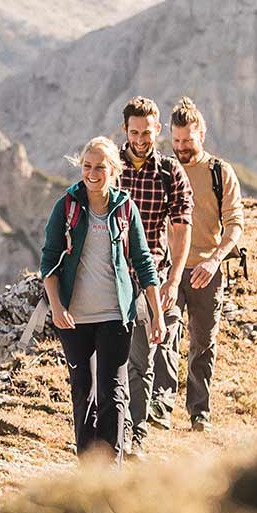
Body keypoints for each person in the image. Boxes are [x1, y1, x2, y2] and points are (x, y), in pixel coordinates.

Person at [39, 136, 165, 458]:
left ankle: (111, 471)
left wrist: (157, 315)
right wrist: (56, 307)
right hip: (74, 318)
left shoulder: (125, 208)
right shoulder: (66, 206)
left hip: (115, 315)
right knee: (84, 393)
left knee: (114, 393)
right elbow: (49, 261)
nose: (92, 174)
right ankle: (88, 473)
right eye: (87, 166)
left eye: (100, 167)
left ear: (114, 170)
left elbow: (143, 260)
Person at [116, 96, 193, 447]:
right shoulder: (110, 166)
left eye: (147, 133)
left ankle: (135, 435)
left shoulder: (169, 173)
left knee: (140, 359)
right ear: (124, 130)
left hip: (150, 276)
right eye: (134, 132)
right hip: (108, 275)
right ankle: (107, 431)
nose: (141, 139)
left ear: (158, 130)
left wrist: (173, 280)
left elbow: (181, 227)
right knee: (105, 357)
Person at [169, 97, 244, 432]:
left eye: (188, 140)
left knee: (203, 344)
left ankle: (199, 412)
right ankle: (159, 405)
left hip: (206, 271)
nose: (182, 148)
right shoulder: (165, 171)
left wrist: (214, 262)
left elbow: (235, 223)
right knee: (164, 334)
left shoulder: (219, 173)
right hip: (168, 269)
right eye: (176, 141)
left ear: (202, 134)